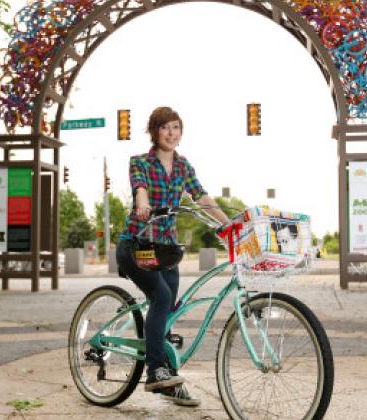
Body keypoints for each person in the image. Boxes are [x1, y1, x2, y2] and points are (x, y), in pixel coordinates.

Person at [116, 106, 229, 407]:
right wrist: (142, 203)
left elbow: (201, 196)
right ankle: (155, 372)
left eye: (176, 127)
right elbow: (140, 188)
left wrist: (227, 223)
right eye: (165, 127)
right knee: (162, 298)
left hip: (165, 250)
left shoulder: (183, 166)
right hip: (137, 243)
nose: (171, 133)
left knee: (168, 312)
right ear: (154, 132)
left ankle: (170, 380)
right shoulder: (139, 162)